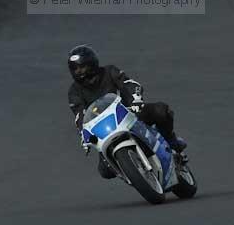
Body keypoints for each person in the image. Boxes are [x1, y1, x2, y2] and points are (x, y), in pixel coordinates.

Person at [68, 45, 187, 180]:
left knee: (161, 111)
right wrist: (83, 134)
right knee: (105, 171)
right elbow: (79, 115)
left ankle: (172, 141)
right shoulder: (74, 91)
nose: (79, 71)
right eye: (75, 68)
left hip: (130, 113)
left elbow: (129, 83)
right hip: (104, 129)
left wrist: (136, 99)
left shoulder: (109, 71)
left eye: (82, 67)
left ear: (92, 63)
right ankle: (132, 173)